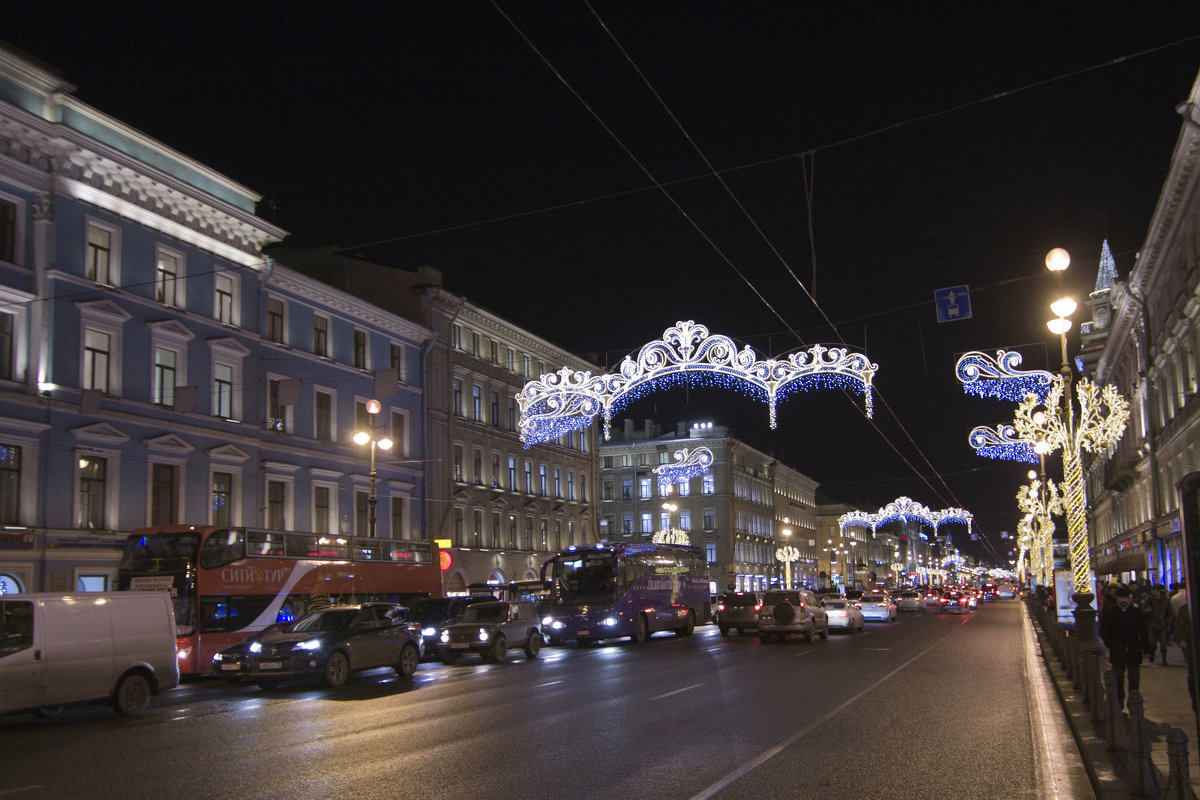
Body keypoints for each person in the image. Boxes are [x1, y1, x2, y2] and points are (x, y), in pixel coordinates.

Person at [1099, 584, 1152, 710]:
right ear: (1116, 598)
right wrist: (1111, 645)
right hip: (1117, 650)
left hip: (1134, 649)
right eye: (1120, 597)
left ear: (1129, 598)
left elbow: (1143, 631)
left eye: (1125, 597)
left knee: (1134, 678)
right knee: (1118, 677)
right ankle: (1119, 700)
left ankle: (1133, 701)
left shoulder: (1136, 612)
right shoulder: (1110, 612)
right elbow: (1105, 632)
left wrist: (1146, 649)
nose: (1123, 600)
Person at [1145, 584, 1173, 666]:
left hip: (1163, 624)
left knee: (1163, 642)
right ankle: (1152, 655)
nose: (1154, 594)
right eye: (1153, 592)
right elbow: (1143, 611)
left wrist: (1168, 621)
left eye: (1156, 592)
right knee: (1153, 642)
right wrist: (1147, 610)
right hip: (1152, 624)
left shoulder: (1166, 601)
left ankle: (1164, 659)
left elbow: (1170, 613)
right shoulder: (1149, 600)